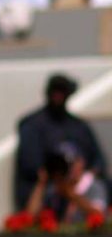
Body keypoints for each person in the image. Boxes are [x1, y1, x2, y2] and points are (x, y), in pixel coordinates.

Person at [15, 73, 107, 208]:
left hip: (80, 194)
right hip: (48, 192)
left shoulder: (79, 126)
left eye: (61, 92)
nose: (58, 97)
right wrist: (56, 178)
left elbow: (99, 162)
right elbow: (31, 166)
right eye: (55, 92)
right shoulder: (32, 125)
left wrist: (80, 177)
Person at [26, 145, 109, 223]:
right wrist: (41, 183)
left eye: (70, 164)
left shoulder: (94, 185)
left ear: (81, 162)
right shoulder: (54, 189)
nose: (67, 169)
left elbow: (99, 215)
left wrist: (70, 193)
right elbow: (30, 215)